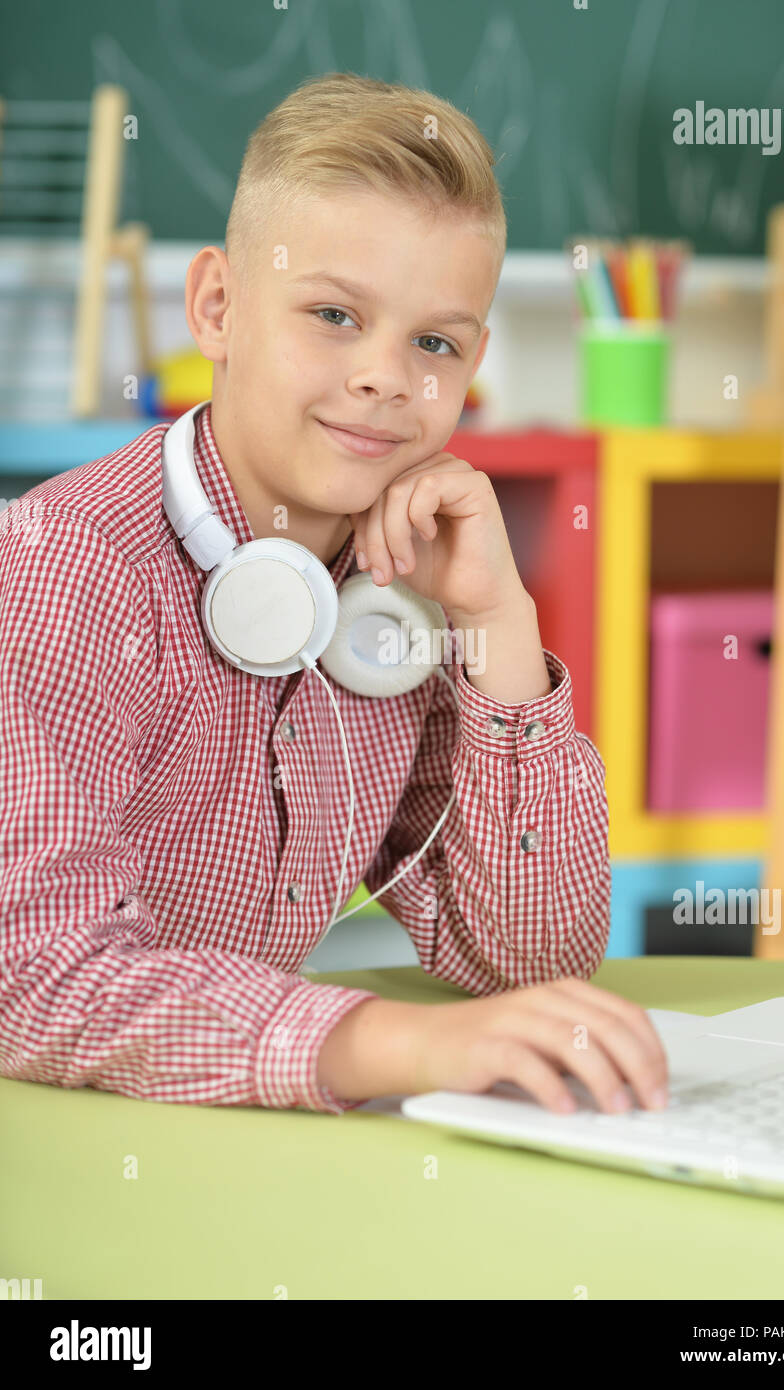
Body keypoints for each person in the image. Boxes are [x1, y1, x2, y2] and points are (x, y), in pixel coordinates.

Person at [0, 72, 667, 1119]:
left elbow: (528, 956)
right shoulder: (66, 566)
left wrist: (496, 625)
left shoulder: (396, 592)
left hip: (228, 1135)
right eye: (334, 315)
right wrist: (388, 1039)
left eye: (433, 342)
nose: (384, 378)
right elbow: (28, 976)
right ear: (217, 305)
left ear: (472, 363)